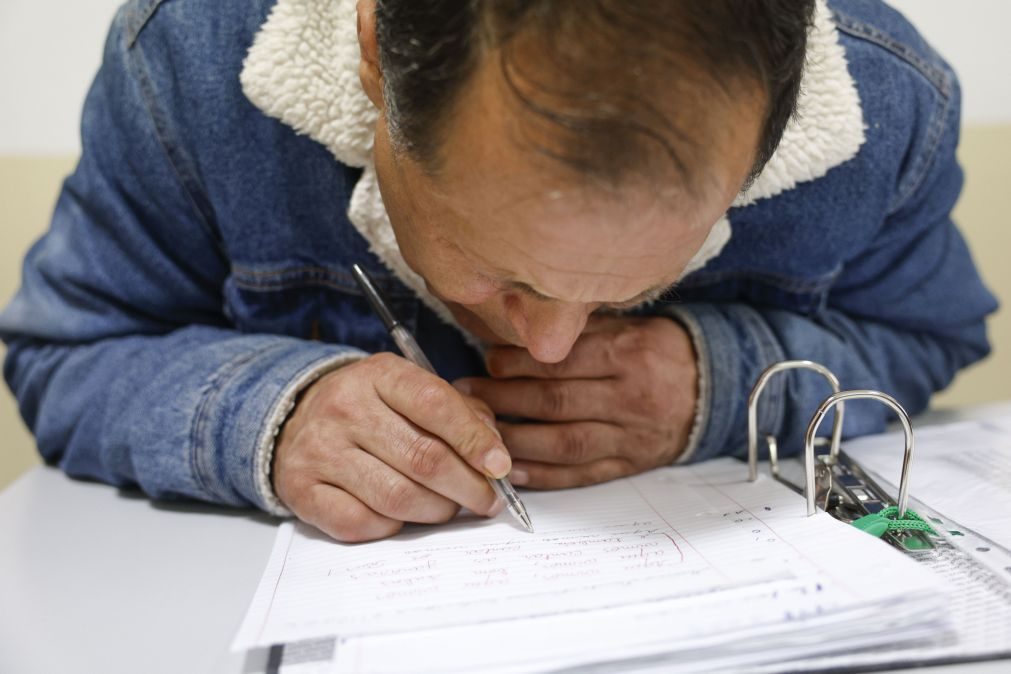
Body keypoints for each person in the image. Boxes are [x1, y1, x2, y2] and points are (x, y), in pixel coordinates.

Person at [0, 0, 996, 542]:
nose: (552, 342)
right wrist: (268, 415)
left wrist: (724, 375)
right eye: (498, 269)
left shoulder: (881, 110)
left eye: (638, 277)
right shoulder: (188, 62)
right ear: (373, 60)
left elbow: (927, 331)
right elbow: (63, 349)